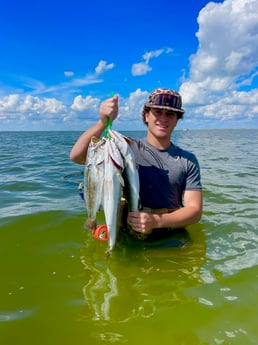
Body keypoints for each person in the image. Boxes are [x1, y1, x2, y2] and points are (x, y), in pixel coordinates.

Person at [70, 88, 202, 241]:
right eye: (157, 112)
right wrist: (102, 122)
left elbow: (195, 211)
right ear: (146, 116)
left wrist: (156, 221)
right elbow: (77, 156)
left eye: (170, 114)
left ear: (176, 120)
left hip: (172, 238)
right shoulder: (126, 149)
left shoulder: (188, 160)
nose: (163, 118)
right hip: (127, 236)